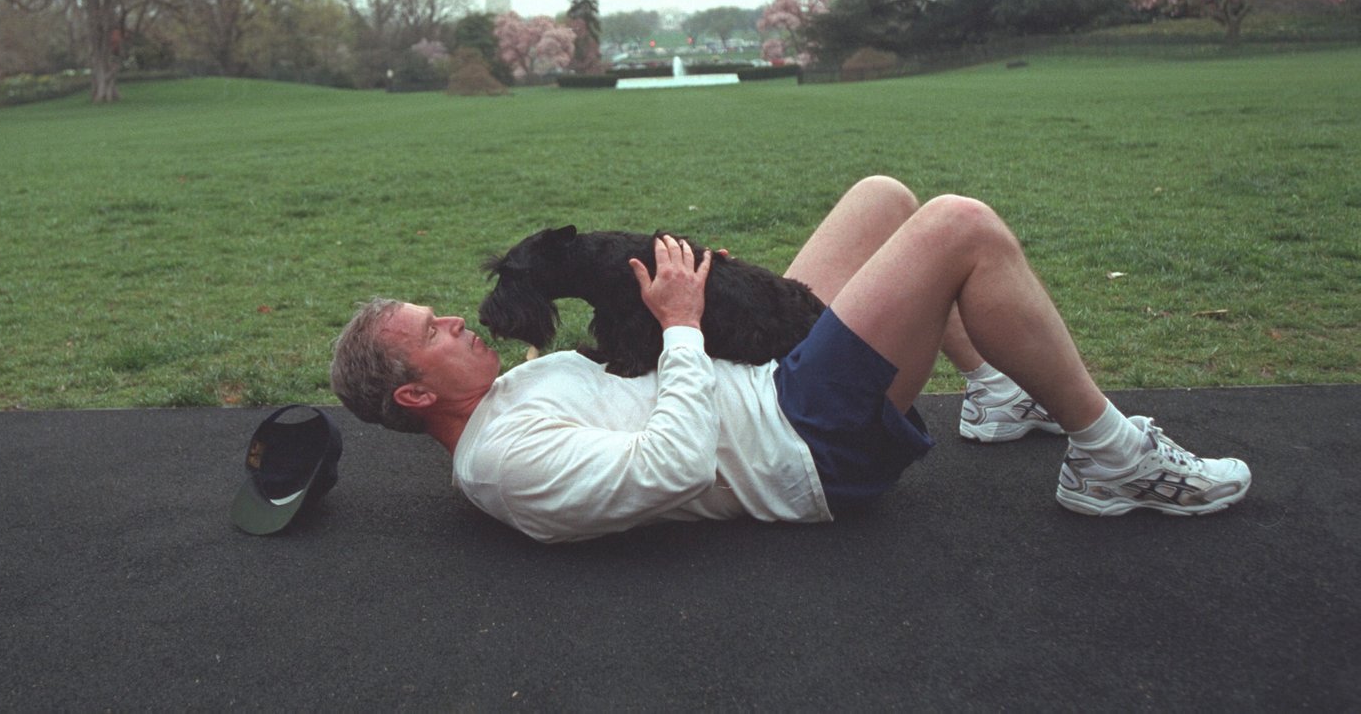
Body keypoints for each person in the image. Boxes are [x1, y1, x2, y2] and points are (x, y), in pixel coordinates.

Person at [330, 176, 1250, 543]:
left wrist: (690, 297)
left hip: (762, 376)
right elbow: (674, 465)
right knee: (958, 226)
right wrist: (685, 323)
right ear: (413, 391)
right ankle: (1110, 456)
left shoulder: (510, 391)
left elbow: (633, 372)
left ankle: (998, 394)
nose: (458, 319)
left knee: (882, 200)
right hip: (803, 441)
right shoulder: (503, 463)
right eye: (434, 330)